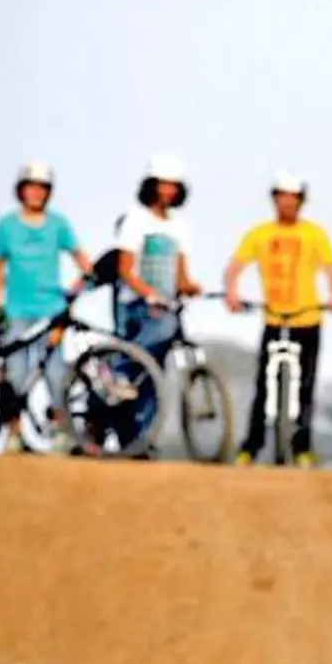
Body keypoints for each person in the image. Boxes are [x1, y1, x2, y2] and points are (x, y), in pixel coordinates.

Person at [223, 172, 332, 468]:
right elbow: (235, 267)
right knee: (264, 385)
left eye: (292, 198)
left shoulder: (314, 234)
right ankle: (251, 447)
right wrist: (231, 293)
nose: (287, 203)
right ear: (274, 199)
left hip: (308, 318)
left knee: (305, 386)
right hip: (274, 317)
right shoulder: (260, 234)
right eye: (282, 197)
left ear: (301, 201)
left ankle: (302, 447)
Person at [0, 162, 94, 454]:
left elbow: (83, 261)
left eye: (42, 188)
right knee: (16, 373)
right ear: (21, 190)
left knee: (56, 372)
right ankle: (13, 435)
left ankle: (61, 432)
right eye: (31, 187)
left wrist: (78, 288)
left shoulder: (58, 224)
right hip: (16, 310)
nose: (36, 193)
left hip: (51, 309)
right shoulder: (6, 226)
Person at [113, 152, 203, 456]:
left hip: (164, 305)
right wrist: (147, 292)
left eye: (173, 187)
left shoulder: (181, 225)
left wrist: (189, 287)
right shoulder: (136, 218)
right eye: (162, 185)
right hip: (137, 305)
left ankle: (140, 439)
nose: (167, 192)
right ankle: (117, 369)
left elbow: (180, 273)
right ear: (151, 186)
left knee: (153, 379)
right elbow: (125, 268)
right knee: (145, 357)